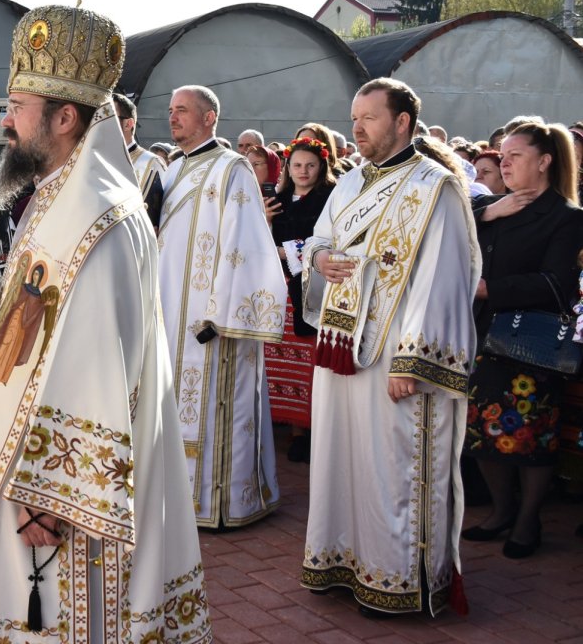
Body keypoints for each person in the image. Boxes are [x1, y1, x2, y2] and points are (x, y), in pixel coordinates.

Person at [0, 3, 211, 642]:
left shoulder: (99, 215)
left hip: (55, 495)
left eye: (17, 107)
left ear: (65, 118)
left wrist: (45, 492)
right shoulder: (56, 194)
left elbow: (94, 362)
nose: (5, 122)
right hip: (13, 459)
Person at [301, 78, 479, 617]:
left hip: (394, 355)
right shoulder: (350, 181)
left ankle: (399, 579)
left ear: (402, 122)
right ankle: (344, 563)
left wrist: (413, 362)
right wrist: (318, 261)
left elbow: (443, 278)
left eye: (369, 118)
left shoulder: (436, 187)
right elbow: (320, 238)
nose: (356, 128)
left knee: (392, 468)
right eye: (353, 117)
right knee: (342, 459)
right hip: (340, 345)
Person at [158, 84, 285, 528]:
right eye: (171, 111)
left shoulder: (231, 168)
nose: (173, 118)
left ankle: (226, 503)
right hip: (169, 313)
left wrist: (222, 313)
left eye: (183, 111)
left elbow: (245, 243)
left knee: (217, 407)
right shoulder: (172, 170)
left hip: (210, 319)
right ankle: (177, 498)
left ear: (209, 118)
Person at [465, 121, 583, 558]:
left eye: (514, 155)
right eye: (502, 155)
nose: (504, 162)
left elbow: (556, 284)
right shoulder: (495, 205)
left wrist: (488, 289)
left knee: (531, 435)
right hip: (481, 336)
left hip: (531, 343)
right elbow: (448, 231)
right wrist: (485, 214)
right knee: (479, 432)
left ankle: (527, 520)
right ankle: (500, 511)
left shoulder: (567, 217)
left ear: (545, 161)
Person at [263, 137, 337, 463]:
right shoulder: (276, 199)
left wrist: (281, 250)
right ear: (288, 168)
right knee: (282, 360)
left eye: (310, 165)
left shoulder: (329, 199)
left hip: (314, 288)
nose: (303, 171)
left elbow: (329, 241)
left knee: (311, 362)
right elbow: (256, 240)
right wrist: (263, 220)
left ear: (321, 167)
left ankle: (316, 429)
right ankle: (295, 430)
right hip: (280, 289)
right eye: (297, 165)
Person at [113, 92, 165, 228]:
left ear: (128, 124)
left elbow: (156, 224)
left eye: (109, 118)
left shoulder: (150, 163)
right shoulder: (93, 160)